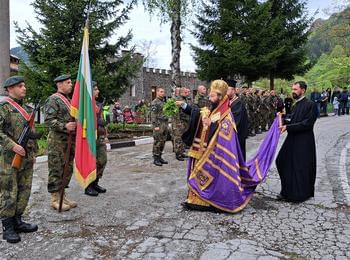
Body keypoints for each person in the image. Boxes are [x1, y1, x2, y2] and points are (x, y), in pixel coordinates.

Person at [177, 80, 281, 213]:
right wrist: (193, 111)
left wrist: (208, 124)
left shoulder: (227, 117)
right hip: (206, 151)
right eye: (210, 95)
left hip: (217, 156)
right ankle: (198, 199)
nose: (210, 98)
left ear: (221, 96)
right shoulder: (216, 108)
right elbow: (203, 114)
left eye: (212, 96)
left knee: (216, 177)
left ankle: (214, 200)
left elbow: (223, 136)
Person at [0, 76, 39, 243]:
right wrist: (12, 145)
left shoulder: (27, 108)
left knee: (25, 190)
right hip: (8, 158)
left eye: (24, 85)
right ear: (10, 89)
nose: (24, 88)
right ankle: (7, 227)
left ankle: (18, 220)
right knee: (9, 191)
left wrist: (34, 153)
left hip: (26, 157)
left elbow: (31, 134)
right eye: (20, 86)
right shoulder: (4, 107)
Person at [276, 81, 317, 202]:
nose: (293, 91)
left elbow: (307, 124)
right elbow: (290, 119)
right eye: (292, 89)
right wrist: (281, 118)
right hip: (292, 138)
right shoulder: (295, 105)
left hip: (304, 141)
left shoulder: (311, 104)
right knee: (282, 161)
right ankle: (287, 191)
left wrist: (288, 127)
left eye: (295, 89)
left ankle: (299, 195)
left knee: (300, 167)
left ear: (303, 90)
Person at [44, 74, 77, 212]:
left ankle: (63, 194)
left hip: (68, 141)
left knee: (67, 168)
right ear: (59, 84)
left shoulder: (69, 100)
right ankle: (55, 198)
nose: (71, 84)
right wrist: (65, 126)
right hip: (57, 141)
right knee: (56, 168)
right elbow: (48, 120)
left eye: (71, 82)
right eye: (68, 82)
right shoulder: (53, 99)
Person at [84, 81, 108, 196]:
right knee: (91, 162)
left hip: (100, 137)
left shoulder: (98, 105)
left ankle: (95, 182)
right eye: (96, 89)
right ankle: (88, 185)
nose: (98, 91)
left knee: (102, 160)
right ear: (90, 91)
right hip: (90, 137)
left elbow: (101, 120)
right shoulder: (85, 105)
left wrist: (105, 133)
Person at [226, 79, 249, 160]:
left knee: (238, 156)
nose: (225, 91)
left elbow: (235, 121)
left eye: (227, 89)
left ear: (234, 90)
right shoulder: (229, 101)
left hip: (238, 135)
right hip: (233, 135)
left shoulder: (237, 103)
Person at [151, 87, 169, 166]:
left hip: (164, 124)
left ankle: (160, 156)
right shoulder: (155, 102)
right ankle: (156, 158)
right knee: (157, 142)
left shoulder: (164, 102)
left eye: (163, 92)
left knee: (163, 141)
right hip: (158, 124)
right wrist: (155, 126)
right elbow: (153, 115)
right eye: (161, 92)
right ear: (157, 92)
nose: (163, 93)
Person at [172, 88, 189, 161]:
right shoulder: (178, 100)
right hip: (178, 123)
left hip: (184, 122)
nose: (187, 93)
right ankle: (178, 154)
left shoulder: (184, 99)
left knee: (182, 138)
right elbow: (175, 112)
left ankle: (181, 152)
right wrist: (178, 122)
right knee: (178, 138)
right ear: (181, 92)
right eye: (185, 92)